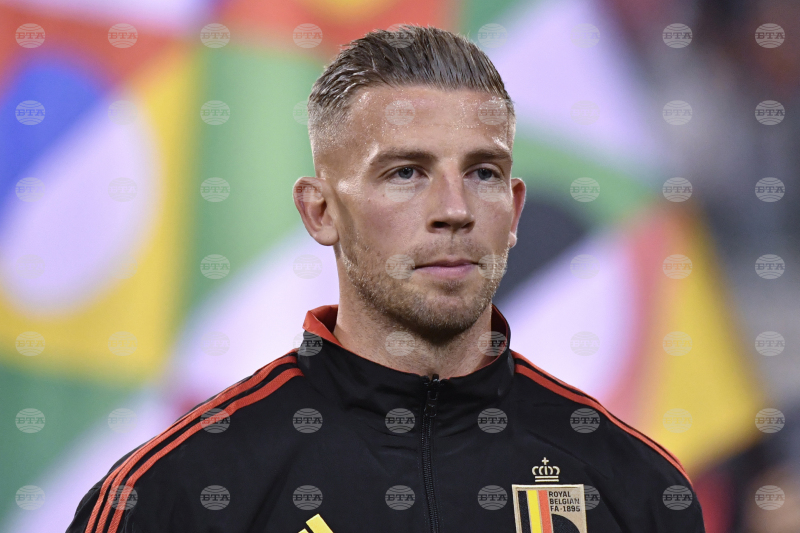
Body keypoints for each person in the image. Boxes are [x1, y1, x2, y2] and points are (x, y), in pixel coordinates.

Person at [66, 25, 704, 533]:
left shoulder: (636, 485)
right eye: (406, 173)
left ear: (514, 211)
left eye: (482, 172)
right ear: (320, 211)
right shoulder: (173, 493)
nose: (454, 209)